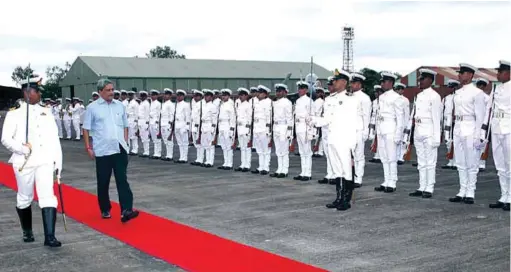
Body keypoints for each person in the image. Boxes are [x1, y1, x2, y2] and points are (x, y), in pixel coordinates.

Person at [1, 76, 63, 247]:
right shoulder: (14, 113)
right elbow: (5, 139)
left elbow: (54, 139)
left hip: (44, 160)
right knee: (24, 197)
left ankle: (49, 237)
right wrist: (22, 148)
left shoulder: (47, 111)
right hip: (24, 162)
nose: (40, 95)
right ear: (27, 93)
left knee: (48, 196)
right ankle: (27, 231)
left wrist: (58, 164)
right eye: (37, 92)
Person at [82, 78, 139, 222]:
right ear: (100, 91)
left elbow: (125, 125)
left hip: (119, 148)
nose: (111, 92)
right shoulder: (92, 108)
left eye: (112, 90)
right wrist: (88, 147)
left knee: (122, 179)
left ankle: (126, 210)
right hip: (102, 150)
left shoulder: (119, 106)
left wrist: (125, 141)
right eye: (108, 90)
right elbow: (86, 129)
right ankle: (105, 208)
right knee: (103, 181)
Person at [309, 69, 358, 210]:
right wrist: (313, 120)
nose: (333, 83)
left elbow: (353, 122)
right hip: (332, 138)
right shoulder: (330, 99)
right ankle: (339, 198)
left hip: (344, 139)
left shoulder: (351, 99)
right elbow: (326, 119)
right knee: (337, 170)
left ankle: (346, 200)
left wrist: (352, 143)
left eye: (335, 81)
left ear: (343, 82)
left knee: (346, 170)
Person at [448, 63, 486, 204]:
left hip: (470, 128)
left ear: (470, 75)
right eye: (459, 73)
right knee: (460, 162)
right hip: (458, 127)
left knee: (472, 162)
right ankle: (462, 190)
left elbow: (480, 117)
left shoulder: (477, 93)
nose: (459, 75)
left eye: (462, 73)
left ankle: (470, 191)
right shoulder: (457, 93)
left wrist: (479, 136)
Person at [406, 68, 442, 198]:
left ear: (430, 80)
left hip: (429, 130)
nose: (419, 81)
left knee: (430, 162)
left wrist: (436, 137)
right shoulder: (419, 96)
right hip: (419, 130)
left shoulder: (435, 96)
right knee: (421, 161)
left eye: (422, 79)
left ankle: (429, 188)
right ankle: (422, 186)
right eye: (419, 78)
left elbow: (437, 118)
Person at [481, 60, 510, 211]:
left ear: (509, 73)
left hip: (509, 129)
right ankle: (504, 195)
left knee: (510, 164)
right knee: (500, 165)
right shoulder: (497, 88)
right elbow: (489, 109)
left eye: (501, 72)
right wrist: (484, 129)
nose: (498, 74)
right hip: (497, 129)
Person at [372, 72, 405, 193]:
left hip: (391, 128)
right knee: (384, 157)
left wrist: (398, 134)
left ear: (390, 83)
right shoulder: (382, 97)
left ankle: (392, 182)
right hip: (381, 128)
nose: (381, 84)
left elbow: (400, 119)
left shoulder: (397, 98)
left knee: (391, 157)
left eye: (383, 81)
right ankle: (386, 180)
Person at [350, 72, 371, 187]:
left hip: (359, 130)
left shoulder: (365, 98)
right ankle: (351, 176)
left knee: (359, 156)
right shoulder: (349, 96)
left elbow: (366, 116)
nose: (351, 85)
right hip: (350, 131)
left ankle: (358, 178)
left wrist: (365, 132)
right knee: (350, 155)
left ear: (359, 84)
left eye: (353, 83)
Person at [269, 83, 293, 178]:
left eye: (280, 91)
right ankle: (279, 169)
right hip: (276, 127)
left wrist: (289, 132)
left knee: (284, 150)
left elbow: (290, 119)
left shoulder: (287, 102)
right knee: (278, 150)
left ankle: (284, 170)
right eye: (277, 91)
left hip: (284, 127)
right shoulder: (276, 102)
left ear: (284, 92)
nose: (278, 93)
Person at [251, 85, 272, 175]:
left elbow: (269, 118)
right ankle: (260, 166)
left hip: (264, 128)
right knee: (259, 149)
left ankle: (265, 167)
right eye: (258, 93)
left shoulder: (268, 102)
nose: (258, 95)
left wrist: (268, 131)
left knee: (266, 149)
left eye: (260, 93)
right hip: (257, 128)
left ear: (265, 94)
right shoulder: (257, 102)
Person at [234, 88, 253, 172]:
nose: (240, 97)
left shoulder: (248, 105)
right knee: (242, 147)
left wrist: (248, 131)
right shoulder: (239, 104)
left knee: (247, 148)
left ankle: (247, 165)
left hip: (245, 128)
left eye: (242, 95)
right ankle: (242, 164)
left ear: (246, 96)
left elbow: (249, 118)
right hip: (240, 128)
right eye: (240, 95)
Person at [217, 89, 236, 170]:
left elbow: (232, 119)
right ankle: (225, 162)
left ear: (228, 96)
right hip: (221, 126)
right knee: (223, 146)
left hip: (227, 126)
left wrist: (232, 130)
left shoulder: (230, 105)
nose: (223, 97)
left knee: (228, 146)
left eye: (225, 95)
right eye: (223, 95)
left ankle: (229, 163)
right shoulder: (222, 104)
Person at [160, 88, 175, 161]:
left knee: (169, 140)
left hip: (168, 124)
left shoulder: (171, 104)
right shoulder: (164, 104)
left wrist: (171, 125)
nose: (166, 96)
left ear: (170, 96)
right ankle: (167, 154)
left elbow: (172, 115)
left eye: (167, 95)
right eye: (165, 94)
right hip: (163, 123)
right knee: (165, 140)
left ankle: (170, 155)